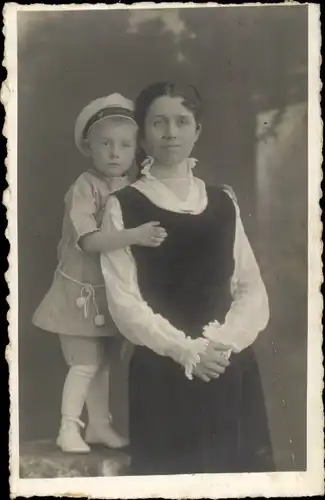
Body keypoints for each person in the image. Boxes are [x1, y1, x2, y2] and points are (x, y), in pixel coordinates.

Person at [100, 82, 274, 475]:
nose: (170, 132)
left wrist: (223, 344)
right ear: (142, 135)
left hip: (229, 367)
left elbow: (250, 286)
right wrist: (185, 351)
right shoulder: (124, 205)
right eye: (158, 122)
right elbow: (125, 302)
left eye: (182, 121)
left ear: (198, 130)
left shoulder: (223, 202)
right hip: (163, 373)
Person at [32, 93, 167, 454]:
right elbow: (88, 241)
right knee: (84, 363)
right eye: (105, 144)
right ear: (88, 146)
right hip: (81, 294)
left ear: (136, 149)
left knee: (104, 363)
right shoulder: (84, 187)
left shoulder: (131, 187)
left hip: (110, 291)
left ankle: (99, 426)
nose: (114, 153)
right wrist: (136, 236)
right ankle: (67, 428)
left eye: (124, 145)